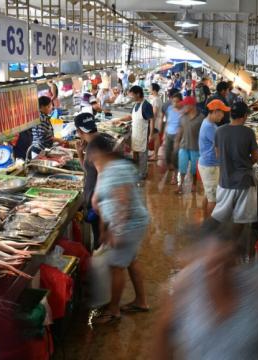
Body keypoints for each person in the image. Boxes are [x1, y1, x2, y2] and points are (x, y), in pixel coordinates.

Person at [152, 221, 258, 360]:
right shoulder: (183, 290)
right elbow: (162, 340)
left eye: (226, 263)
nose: (219, 272)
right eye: (212, 265)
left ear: (234, 260)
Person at [88, 136, 150, 324]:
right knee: (130, 260)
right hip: (126, 223)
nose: (91, 159)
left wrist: (116, 231)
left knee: (116, 267)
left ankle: (113, 310)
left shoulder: (117, 170)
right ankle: (141, 301)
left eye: (92, 155)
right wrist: (104, 228)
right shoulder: (108, 169)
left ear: (101, 153)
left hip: (129, 224)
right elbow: (99, 202)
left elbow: (123, 202)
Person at [212, 101, 258, 237]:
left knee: (220, 215)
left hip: (225, 180)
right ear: (244, 116)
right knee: (241, 218)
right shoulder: (249, 132)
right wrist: (244, 162)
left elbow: (218, 155)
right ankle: (232, 242)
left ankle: (215, 240)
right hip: (244, 182)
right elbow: (255, 157)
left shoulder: (219, 131)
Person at [75, 113, 114, 247]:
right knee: (100, 239)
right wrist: (80, 154)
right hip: (100, 203)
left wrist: (97, 201)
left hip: (100, 205)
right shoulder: (100, 141)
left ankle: (102, 264)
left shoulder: (94, 147)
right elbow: (90, 172)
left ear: (79, 131)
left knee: (100, 241)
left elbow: (104, 176)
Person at [114, 86, 154, 181]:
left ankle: (142, 173)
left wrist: (151, 134)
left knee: (143, 155)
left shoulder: (146, 105)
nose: (131, 98)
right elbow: (131, 116)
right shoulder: (135, 104)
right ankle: (138, 170)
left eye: (132, 95)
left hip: (143, 133)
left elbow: (152, 120)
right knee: (135, 152)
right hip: (135, 132)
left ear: (138, 94)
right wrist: (119, 119)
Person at [198, 100, 229, 218]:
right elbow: (221, 146)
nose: (223, 116)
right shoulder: (210, 127)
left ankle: (205, 220)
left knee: (208, 195)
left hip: (207, 164)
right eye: (222, 113)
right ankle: (210, 227)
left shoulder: (208, 123)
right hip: (210, 166)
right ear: (215, 112)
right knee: (213, 199)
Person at [174, 96, 205, 194]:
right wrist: (176, 141)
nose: (184, 107)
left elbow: (204, 134)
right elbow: (180, 129)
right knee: (182, 167)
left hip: (196, 147)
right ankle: (180, 185)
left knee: (194, 169)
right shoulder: (183, 117)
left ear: (192, 105)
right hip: (184, 146)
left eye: (185, 105)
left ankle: (194, 185)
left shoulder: (201, 118)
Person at [163, 92, 184, 184]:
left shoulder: (183, 111)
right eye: (173, 101)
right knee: (167, 154)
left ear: (181, 102)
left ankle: (175, 176)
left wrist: (178, 139)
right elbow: (168, 121)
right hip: (168, 134)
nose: (175, 103)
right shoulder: (169, 109)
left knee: (176, 156)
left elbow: (183, 126)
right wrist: (164, 134)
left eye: (177, 102)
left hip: (177, 136)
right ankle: (170, 167)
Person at [149, 83, 164, 161]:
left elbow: (154, 113)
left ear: (154, 90)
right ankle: (155, 154)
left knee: (156, 137)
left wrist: (152, 122)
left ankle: (155, 155)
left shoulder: (156, 99)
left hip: (156, 121)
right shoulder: (156, 98)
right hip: (156, 121)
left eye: (150, 88)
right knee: (156, 137)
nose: (149, 89)